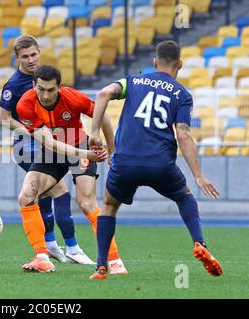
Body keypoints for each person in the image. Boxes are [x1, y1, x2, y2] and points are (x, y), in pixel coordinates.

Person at [89, 40, 223, 280]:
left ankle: (101, 267)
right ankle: (199, 243)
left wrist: (95, 132)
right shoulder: (182, 94)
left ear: (154, 62)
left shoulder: (132, 81)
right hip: (160, 164)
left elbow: (103, 93)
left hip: (125, 161)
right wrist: (199, 175)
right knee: (184, 196)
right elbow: (183, 134)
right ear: (179, 65)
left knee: (109, 206)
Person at [0, 35, 106, 265]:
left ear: (39, 53)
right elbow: (4, 119)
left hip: (56, 142)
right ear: (17, 58)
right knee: (54, 190)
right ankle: (61, 247)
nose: (30, 60)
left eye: (33, 54)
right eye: (25, 56)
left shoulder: (47, 79)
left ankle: (57, 247)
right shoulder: (14, 86)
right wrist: (33, 132)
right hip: (28, 146)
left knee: (52, 192)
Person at [16, 65, 127, 273]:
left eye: (51, 90)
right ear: (34, 86)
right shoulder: (25, 105)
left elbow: (102, 115)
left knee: (86, 203)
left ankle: (114, 261)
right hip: (54, 151)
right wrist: (88, 155)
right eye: (41, 89)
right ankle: (41, 257)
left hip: (80, 145)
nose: (45, 95)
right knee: (26, 196)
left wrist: (112, 151)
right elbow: (49, 143)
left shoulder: (73, 98)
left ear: (60, 87)